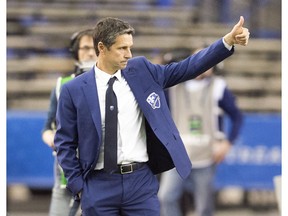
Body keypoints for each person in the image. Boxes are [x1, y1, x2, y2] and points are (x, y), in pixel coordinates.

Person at [54, 16, 250, 216]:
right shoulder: (74, 89)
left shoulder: (142, 70)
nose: (129, 54)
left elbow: (188, 67)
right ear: (102, 48)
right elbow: (64, 143)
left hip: (140, 184)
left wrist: (227, 41)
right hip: (98, 185)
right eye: (122, 48)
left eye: (130, 47)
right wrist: (79, 187)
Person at [158, 47, 243, 216]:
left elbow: (237, 116)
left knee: (204, 207)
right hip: (177, 155)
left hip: (205, 155)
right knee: (166, 197)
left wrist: (227, 143)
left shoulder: (218, 86)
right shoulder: (174, 84)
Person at [41, 28, 97, 216]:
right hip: (66, 171)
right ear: (76, 52)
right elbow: (48, 127)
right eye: (85, 48)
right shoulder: (61, 85)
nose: (90, 53)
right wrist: (52, 138)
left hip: (101, 174)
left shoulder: (113, 85)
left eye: (95, 48)